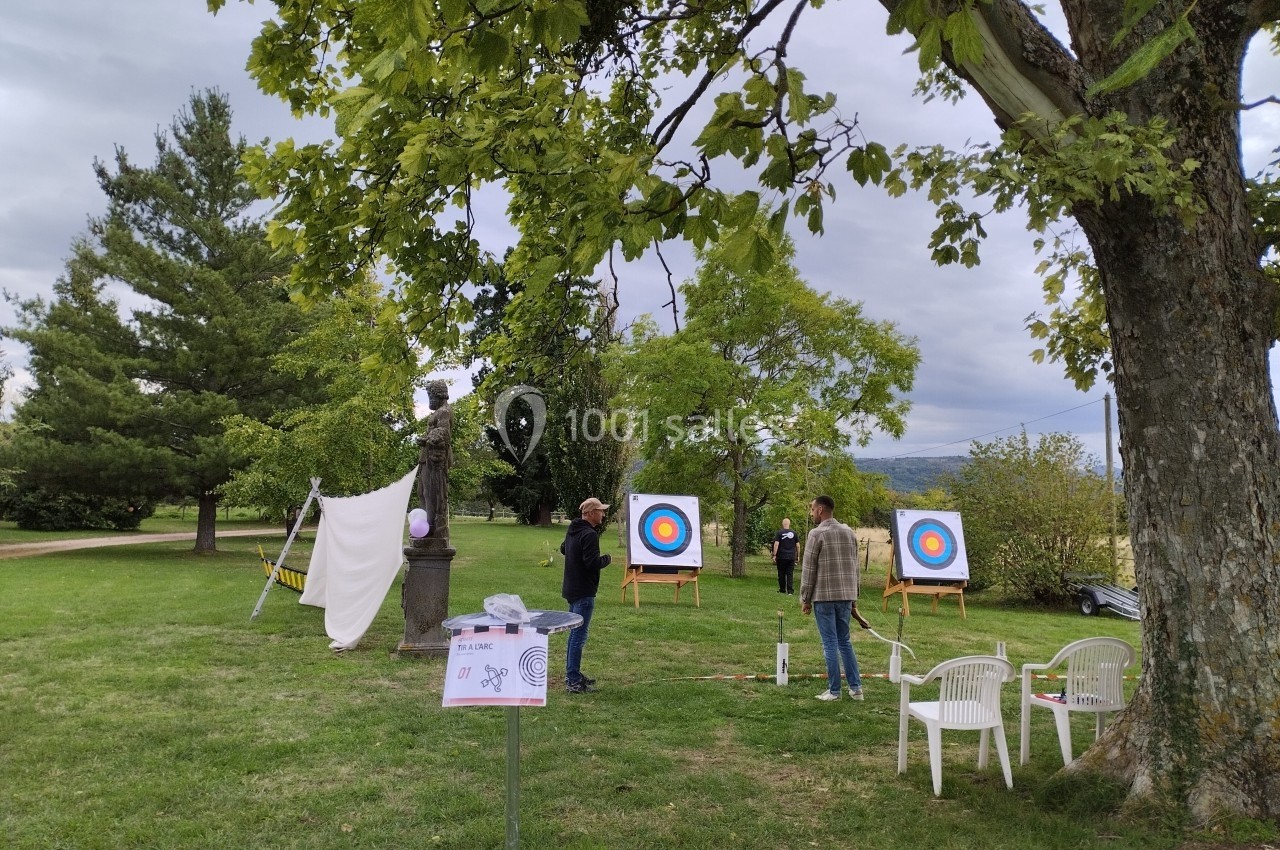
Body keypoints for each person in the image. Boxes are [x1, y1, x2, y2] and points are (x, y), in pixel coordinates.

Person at [799, 495, 864, 701]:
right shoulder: (849, 532)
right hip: (846, 596)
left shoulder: (816, 534)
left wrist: (805, 599)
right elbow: (855, 568)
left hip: (824, 597)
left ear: (820, 510)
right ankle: (856, 689)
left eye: (812, 509)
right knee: (844, 641)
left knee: (829, 643)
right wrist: (854, 597)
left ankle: (834, 691)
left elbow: (809, 570)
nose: (811, 513)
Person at [561, 497, 613, 694]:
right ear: (591, 513)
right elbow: (592, 563)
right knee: (578, 637)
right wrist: (607, 559)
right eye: (600, 511)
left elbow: (563, 548)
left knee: (575, 635)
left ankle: (573, 674)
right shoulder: (590, 534)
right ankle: (573, 680)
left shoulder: (573, 529)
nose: (603, 514)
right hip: (584, 591)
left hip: (571, 589)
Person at [417, 380, 453, 544]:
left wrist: (426, 439)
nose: (429, 399)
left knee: (432, 493)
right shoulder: (439, 412)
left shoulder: (444, 412)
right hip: (428, 457)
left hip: (435, 458)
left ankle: (432, 527)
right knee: (423, 492)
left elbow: (443, 432)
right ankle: (426, 525)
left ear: (437, 395)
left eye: (430, 395)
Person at [771, 518, 799, 594]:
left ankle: (782, 589)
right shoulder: (794, 533)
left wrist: (774, 554)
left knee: (781, 573)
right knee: (790, 574)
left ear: (783, 524)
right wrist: (798, 556)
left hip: (781, 556)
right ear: (789, 524)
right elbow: (798, 545)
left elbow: (776, 544)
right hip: (791, 557)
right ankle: (790, 591)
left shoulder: (779, 533)